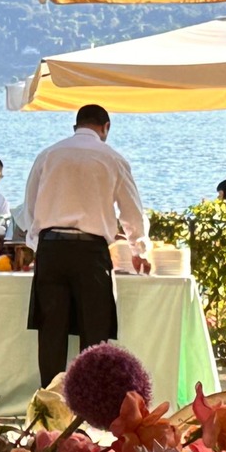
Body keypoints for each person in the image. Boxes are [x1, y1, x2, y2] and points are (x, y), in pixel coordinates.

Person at [21, 104, 147, 388]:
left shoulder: (48, 155)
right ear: (106, 128)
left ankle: (49, 405)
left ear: (75, 126)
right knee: (94, 334)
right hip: (91, 253)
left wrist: (36, 244)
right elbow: (131, 212)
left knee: (51, 334)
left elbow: (29, 207)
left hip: (51, 248)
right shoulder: (113, 158)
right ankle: (88, 405)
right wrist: (140, 250)